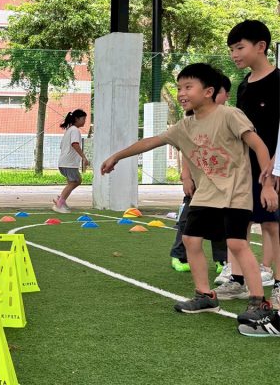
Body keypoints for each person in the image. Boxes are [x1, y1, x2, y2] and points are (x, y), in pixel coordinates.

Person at [100, 63, 278, 333]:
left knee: (237, 244)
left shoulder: (230, 115)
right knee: (190, 240)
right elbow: (150, 141)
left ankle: (258, 302)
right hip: (205, 194)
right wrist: (117, 156)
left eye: (188, 87)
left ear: (208, 91)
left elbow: (258, 145)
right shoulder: (184, 126)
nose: (181, 93)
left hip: (235, 192)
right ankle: (205, 296)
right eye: (179, 87)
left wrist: (267, 185)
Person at [213, 20, 280, 305]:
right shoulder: (243, 86)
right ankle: (238, 280)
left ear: (261, 46)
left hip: (271, 169)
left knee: (272, 225)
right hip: (243, 168)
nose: (234, 55)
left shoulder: (278, 81)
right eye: (231, 49)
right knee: (239, 222)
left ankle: (278, 286)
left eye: (239, 48)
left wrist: (275, 167)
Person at [169, 74, 231, 273]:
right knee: (188, 217)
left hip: (220, 181)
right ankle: (180, 255)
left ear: (226, 95)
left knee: (220, 219)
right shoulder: (192, 118)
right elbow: (187, 150)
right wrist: (186, 176)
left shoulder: (229, 118)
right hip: (198, 180)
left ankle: (222, 260)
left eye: (218, 92)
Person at [52, 109, 89, 213]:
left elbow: (62, 146)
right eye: (83, 119)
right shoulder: (75, 130)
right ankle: (59, 203)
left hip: (64, 163)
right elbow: (75, 144)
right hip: (69, 164)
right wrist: (83, 157)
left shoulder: (69, 130)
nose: (84, 121)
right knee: (76, 181)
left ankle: (61, 200)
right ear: (76, 119)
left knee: (71, 182)